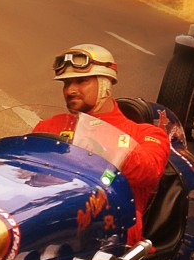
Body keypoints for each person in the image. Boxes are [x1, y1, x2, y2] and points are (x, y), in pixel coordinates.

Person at [32, 44, 170, 247]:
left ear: (105, 84)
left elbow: (149, 173)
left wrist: (99, 135)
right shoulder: (50, 125)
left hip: (111, 230)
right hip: (45, 213)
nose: (70, 90)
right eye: (66, 83)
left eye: (81, 81)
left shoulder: (145, 134)